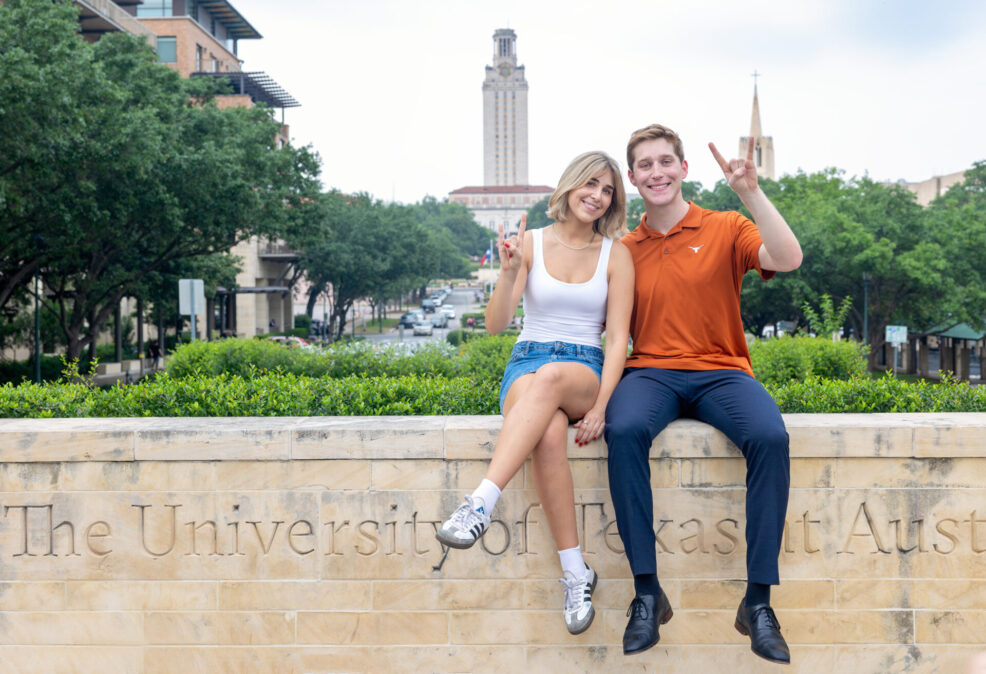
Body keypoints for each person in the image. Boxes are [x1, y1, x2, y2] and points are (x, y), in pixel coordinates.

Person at [605, 124, 803, 662]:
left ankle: (757, 603)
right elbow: (609, 328)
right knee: (621, 431)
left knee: (770, 436)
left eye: (666, 161)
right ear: (633, 177)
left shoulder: (724, 225)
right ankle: (648, 593)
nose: (657, 172)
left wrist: (751, 193)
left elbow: (787, 259)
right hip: (650, 373)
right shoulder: (624, 249)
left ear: (684, 169)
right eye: (644, 165)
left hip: (722, 372)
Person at [436, 151, 634, 635]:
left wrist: (604, 405)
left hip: (583, 367)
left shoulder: (617, 253)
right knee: (546, 433)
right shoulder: (530, 242)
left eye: (607, 190)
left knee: (549, 383)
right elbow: (496, 326)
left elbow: (617, 340)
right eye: (590, 184)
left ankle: (481, 502)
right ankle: (575, 573)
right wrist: (507, 274)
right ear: (569, 187)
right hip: (526, 357)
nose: (597, 195)